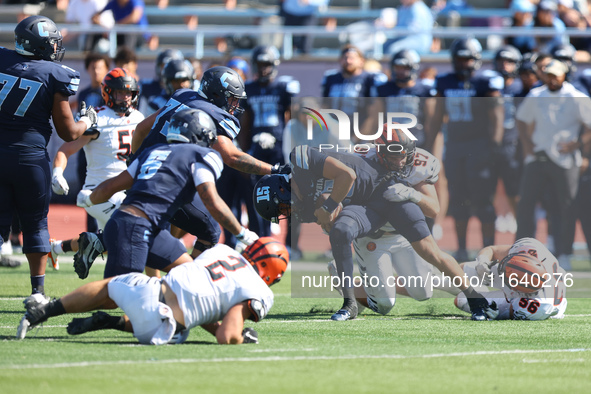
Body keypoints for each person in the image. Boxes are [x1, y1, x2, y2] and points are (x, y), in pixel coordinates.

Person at [260, 140, 498, 322]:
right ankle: (349, 302)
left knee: (427, 271)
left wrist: (329, 205)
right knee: (381, 299)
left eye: (283, 206)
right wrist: (330, 213)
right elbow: (331, 211)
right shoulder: (304, 203)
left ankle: (475, 297)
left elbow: (347, 175)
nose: (287, 211)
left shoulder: (303, 159)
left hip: (387, 196)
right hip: (367, 214)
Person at [74, 108, 259, 279]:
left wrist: (88, 199)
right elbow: (211, 200)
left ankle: (101, 243)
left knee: (193, 276)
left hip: (138, 224)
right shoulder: (200, 155)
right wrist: (242, 233)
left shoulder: (150, 152)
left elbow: (109, 188)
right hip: (136, 225)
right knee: (116, 294)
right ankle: (52, 307)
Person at [17, 237, 288, 344]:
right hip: (162, 330)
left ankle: (46, 310)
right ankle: (111, 322)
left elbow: (200, 290)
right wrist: (240, 337)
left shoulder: (222, 250)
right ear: (273, 274)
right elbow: (225, 334)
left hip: (149, 291)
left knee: (109, 287)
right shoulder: (260, 292)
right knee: (185, 317)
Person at [0, 15, 97, 294]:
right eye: (52, 44)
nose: (56, 48)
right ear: (41, 46)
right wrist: (87, 122)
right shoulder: (55, 75)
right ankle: (37, 294)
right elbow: (68, 132)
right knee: (35, 226)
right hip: (29, 159)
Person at [49, 67, 143, 271]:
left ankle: (57, 247)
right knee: (140, 226)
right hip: (97, 194)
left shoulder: (138, 118)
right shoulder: (96, 118)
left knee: (107, 243)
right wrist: (57, 173)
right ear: (107, 93)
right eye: (120, 93)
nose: (125, 98)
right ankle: (153, 282)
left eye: (129, 93)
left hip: (124, 191)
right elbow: (65, 150)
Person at [426, 37, 504, 262]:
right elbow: (437, 115)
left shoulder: (485, 81)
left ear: (477, 60)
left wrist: (494, 146)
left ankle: (489, 250)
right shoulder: (444, 81)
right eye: (460, 58)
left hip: (480, 146)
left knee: (483, 200)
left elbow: (496, 116)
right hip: (456, 147)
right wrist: (431, 144)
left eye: (468, 59)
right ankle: (461, 249)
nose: (464, 63)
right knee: (459, 199)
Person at [515, 59, 591, 271]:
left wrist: (578, 144)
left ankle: (564, 252)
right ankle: (520, 251)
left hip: (566, 159)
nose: (552, 79)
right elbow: (521, 119)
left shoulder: (576, 97)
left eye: (556, 75)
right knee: (526, 204)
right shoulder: (536, 95)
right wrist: (528, 146)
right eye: (548, 75)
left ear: (564, 76)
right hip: (539, 155)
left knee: (567, 207)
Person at [239, 45, 300, 239]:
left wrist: (291, 147)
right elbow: (245, 119)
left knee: (290, 192)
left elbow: (292, 118)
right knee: (259, 193)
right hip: (257, 146)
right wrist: (245, 149)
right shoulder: (249, 88)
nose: (263, 68)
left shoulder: (282, 87)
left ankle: (290, 244)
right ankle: (261, 238)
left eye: (267, 64)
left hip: (280, 147)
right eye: (260, 64)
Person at [455, 237, 567, 320]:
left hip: (528, 296)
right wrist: (482, 260)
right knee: (462, 269)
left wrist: (496, 313)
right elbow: (492, 250)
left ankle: (480, 291)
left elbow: (511, 311)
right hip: (523, 274)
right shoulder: (530, 249)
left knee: (461, 299)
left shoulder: (539, 305)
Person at [491, 45, 524, 234]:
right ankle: (501, 215)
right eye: (502, 61)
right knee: (492, 185)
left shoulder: (521, 86)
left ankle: (516, 221)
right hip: (494, 143)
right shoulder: (489, 85)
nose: (505, 65)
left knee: (514, 188)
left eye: (509, 61)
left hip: (514, 142)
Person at [92, 0, 157, 50]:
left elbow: (135, 17)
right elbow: (94, 17)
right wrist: (105, 29)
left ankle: (126, 57)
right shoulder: (114, 3)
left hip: (139, 36)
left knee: (129, 30)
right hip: (120, 35)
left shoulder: (135, 1)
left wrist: (117, 25)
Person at [138, 48, 184, 116]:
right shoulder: (146, 86)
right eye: (164, 65)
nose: (167, 69)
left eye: (171, 65)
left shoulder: (191, 85)